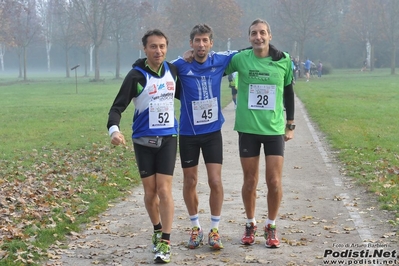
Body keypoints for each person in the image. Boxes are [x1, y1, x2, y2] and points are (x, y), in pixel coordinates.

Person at [107, 29, 179, 263]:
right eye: (153, 47)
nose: (158, 51)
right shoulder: (136, 76)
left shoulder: (174, 71)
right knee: (150, 193)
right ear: (145, 49)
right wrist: (114, 131)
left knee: (163, 190)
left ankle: (166, 242)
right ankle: (157, 229)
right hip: (143, 141)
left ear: (167, 48)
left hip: (168, 138)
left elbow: (189, 94)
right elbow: (116, 108)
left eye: (162, 46)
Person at [225, 18, 295, 248]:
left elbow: (288, 91)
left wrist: (290, 124)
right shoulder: (240, 59)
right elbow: (212, 65)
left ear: (270, 35)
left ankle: (271, 225)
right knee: (249, 181)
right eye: (254, 33)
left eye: (262, 32)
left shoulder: (283, 60)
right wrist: (190, 55)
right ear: (249, 37)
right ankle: (250, 222)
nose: (258, 37)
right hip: (248, 129)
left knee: (274, 181)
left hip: (274, 129)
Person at [171, 24, 237, 250]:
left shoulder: (220, 60)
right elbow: (159, 69)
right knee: (190, 181)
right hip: (188, 133)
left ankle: (215, 230)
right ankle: (195, 227)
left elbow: (250, 51)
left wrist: (275, 50)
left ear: (211, 43)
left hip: (212, 133)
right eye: (197, 41)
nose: (201, 44)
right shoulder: (180, 65)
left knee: (215, 181)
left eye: (205, 40)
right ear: (191, 43)